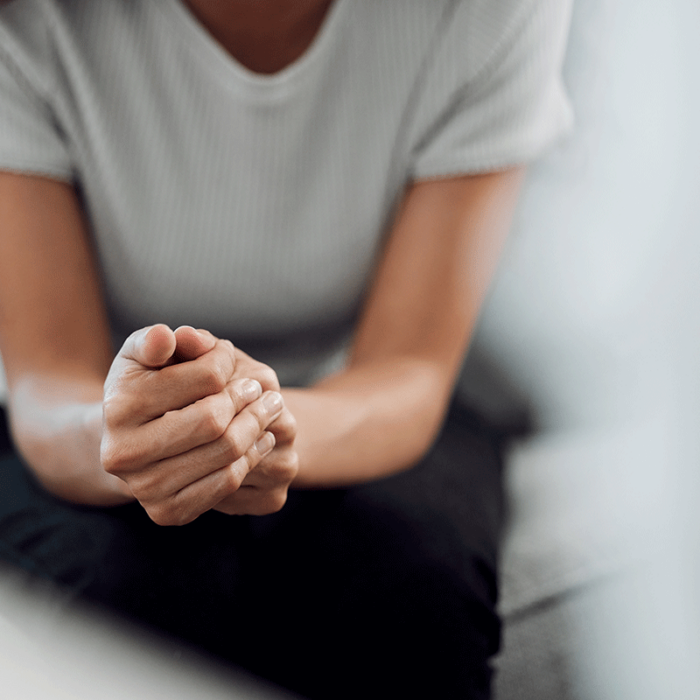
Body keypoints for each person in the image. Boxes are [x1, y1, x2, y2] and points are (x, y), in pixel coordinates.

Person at [0, 0, 572, 697]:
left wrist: (251, 424)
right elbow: (46, 377)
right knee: (123, 602)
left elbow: (409, 366)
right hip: (88, 419)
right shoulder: (23, 24)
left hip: (361, 396)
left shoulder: (490, 13)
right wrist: (125, 437)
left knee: (415, 593)